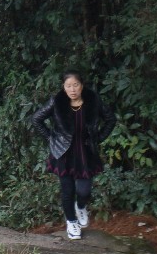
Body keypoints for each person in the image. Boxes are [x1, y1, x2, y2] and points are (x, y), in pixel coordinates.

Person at [31, 70, 115, 240]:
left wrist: (98, 138)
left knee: (84, 190)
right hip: (63, 153)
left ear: (81, 85)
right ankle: (71, 222)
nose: (72, 89)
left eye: (75, 85)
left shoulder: (93, 100)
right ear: (64, 87)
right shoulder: (57, 101)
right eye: (68, 86)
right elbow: (36, 119)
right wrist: (51, 138)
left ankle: (81, 206)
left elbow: (110, 119)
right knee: (67, 190)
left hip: (85, 151)